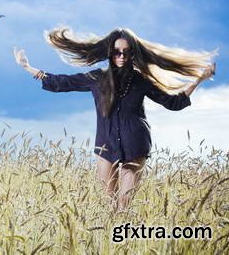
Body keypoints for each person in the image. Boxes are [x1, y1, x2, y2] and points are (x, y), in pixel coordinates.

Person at [13, 27, 217, 211]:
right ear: (110, 53)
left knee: (124, 205)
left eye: (126, 52)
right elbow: (62, 82)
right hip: (105, 145)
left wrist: (199, 79)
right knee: (109, 204)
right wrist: (28, 68)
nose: (121, 56)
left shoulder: (141, 81)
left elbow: (173, 103)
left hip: (135, 144)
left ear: (132, 54)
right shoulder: (96, 78)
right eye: (117, 52)